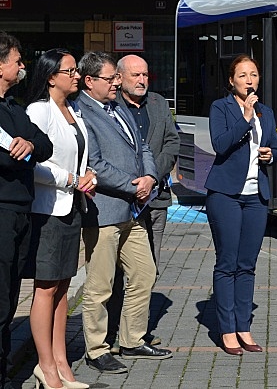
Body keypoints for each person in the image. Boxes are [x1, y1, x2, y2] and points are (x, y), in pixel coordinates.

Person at [76, 51, 172, 375]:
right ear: (90, 81)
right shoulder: (82, 112)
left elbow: (142, 147)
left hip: (131, 211)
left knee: (144, 272)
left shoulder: (117, 106)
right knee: (100, 285)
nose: (116, 83)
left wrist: (150, 177)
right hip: (104, 212)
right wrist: (134, 186)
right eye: (110, 78)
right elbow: (96, 165)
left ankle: (132, 339)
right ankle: (96, 349)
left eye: (117, 78)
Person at [25, 49, 95, 389]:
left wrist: (88, 175)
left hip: (73, 208)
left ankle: (61, 362)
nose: (77, 75)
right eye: (70, 71)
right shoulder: (39, 110)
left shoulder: (73, 110)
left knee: (64, 286)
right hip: (48, 210)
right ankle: (45, 366)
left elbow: (78, 156)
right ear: (51, 76)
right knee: (47, 287)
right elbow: (33, 162)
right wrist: (71, 179)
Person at [204, 54, 277, 356]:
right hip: (226, 194)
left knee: (247, 265)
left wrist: (270, 155)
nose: (250, 81)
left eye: (254, 75)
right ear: (231, 81)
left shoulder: (266, 111)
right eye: (243, 75)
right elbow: (220, 144)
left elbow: (276, 147)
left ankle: (244, 326)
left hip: (255, 197)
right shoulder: (220, 108)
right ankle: (227, 330)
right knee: (228, 263)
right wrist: (245, 118)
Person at [106, 54, 180, 351]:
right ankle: (112, 332)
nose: (141, 80)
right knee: (115, 273)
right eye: (135, 75)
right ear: (119, 78)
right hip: (122, 200)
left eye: (145, 75)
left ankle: (136, 332)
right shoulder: (110, 106)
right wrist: (134, 182)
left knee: (149, 268)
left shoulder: (159, 103)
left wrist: (151, 176)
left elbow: (172, 142)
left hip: (156, 198)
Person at [0, 32, 53, 389]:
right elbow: (7, 159)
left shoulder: (14, 107)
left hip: (21, 211)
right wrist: (18, 154)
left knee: (9, 296)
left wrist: (29, 145)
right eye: (17, 61)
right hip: (2, 211)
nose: (22, 67)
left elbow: (45, 144)